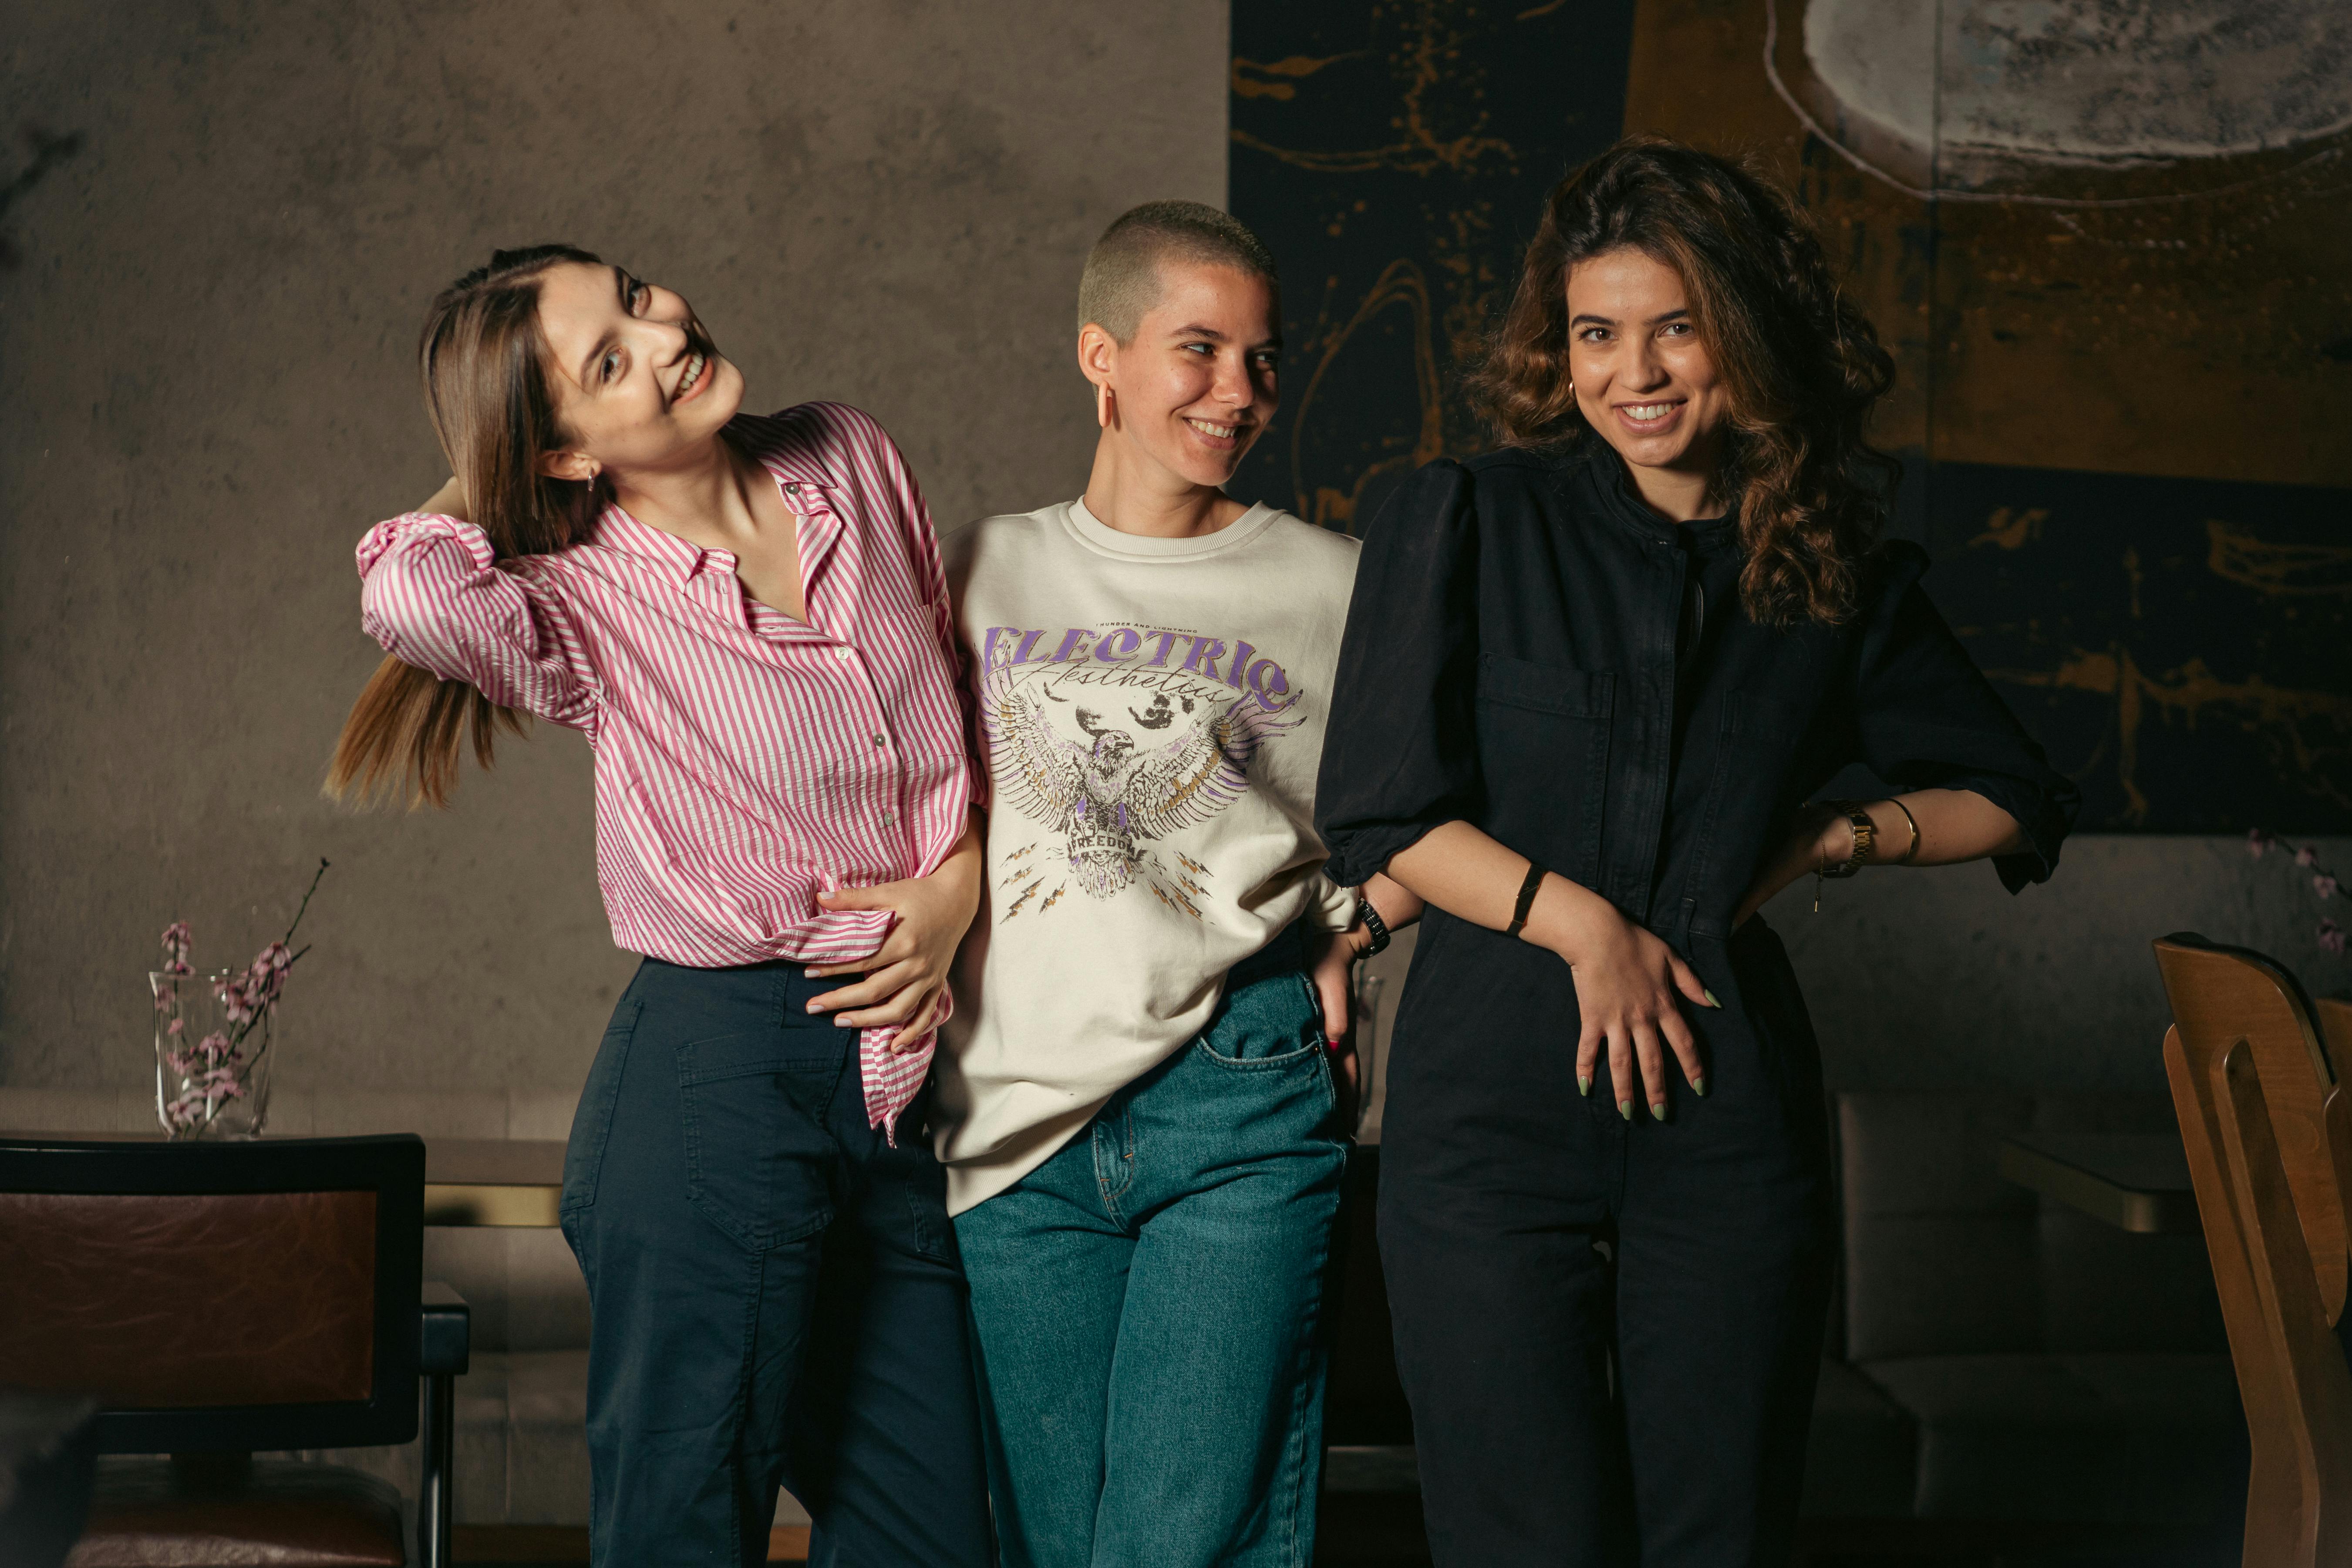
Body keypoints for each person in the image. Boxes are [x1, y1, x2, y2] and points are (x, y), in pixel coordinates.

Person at [1314, 138, 2082, 1565]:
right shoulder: (1472, 514)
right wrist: (1583, 929)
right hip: (1487, 1115)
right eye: (1596, 334)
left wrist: (1819, 838)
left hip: (1726, 1112)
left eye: (1675, 328)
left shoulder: (1828, 562)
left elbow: (2014, 793)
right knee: (1517, 1539)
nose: (1635, 372)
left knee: (1715, 1537)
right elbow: (1384, 812)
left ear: (1744, 331)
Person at [327, 245, 991, 1568]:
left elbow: (958, 716)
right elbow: (401, 585)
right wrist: (503, 448)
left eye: (635, 296)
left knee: (947, 1530)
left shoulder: (847, 454)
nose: (664, 329)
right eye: (607, 361)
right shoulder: (578, 597)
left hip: (898, 1077)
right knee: (686, 1524)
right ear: (564, 451)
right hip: (716, 1075)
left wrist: (958, 886)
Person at [933, 201, 1416, 1568]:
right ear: (1102, 354)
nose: (1239, 393)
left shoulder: (1335, 586)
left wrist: (1355, 921)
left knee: (1175, 1546)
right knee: (1056, 1543)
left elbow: (1452, 807)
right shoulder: (974, 568)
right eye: (1196, 351)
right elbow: (908, 806)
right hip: (1011, 1108)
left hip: (1238, 1082)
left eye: (1261, 359)